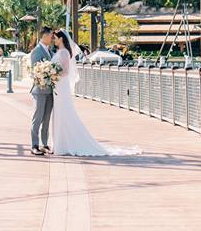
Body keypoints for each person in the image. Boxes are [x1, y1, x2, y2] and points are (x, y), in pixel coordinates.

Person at [49, 29, 139, 157]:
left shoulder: (63, 53)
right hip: (58, 86)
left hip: (61, 86)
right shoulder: (60, 51)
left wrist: (52, 74)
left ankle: (63, 144)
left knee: (63, 113)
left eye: (55, 37)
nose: (54, 39)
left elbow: (66, 72)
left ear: (61, 39)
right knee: (59, 114)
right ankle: (59, 143)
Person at [29, 27, 54, 155]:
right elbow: (35, 70)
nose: (52, 38)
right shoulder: (36, 51)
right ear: (44, 36)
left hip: (50, 90)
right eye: (51, 36)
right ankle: (34, 145)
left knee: (47, 118)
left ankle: (44, 144)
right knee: (37, 118)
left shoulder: (50, 51)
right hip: (39, 90)